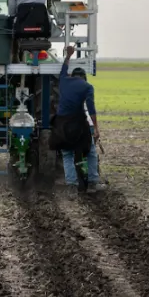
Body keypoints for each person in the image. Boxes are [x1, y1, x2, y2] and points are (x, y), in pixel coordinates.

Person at [52, 44, 105, 191]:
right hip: (79, 123)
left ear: (72, 75)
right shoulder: (87, 87)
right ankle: (93, 183)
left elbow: (63, 68)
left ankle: (71, 185)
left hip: (62, 124)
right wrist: (95, 129)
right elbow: (91, 110)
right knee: (91, 152)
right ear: (84, 77)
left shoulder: (63, 80)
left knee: (67, 153)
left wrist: (69, 55)